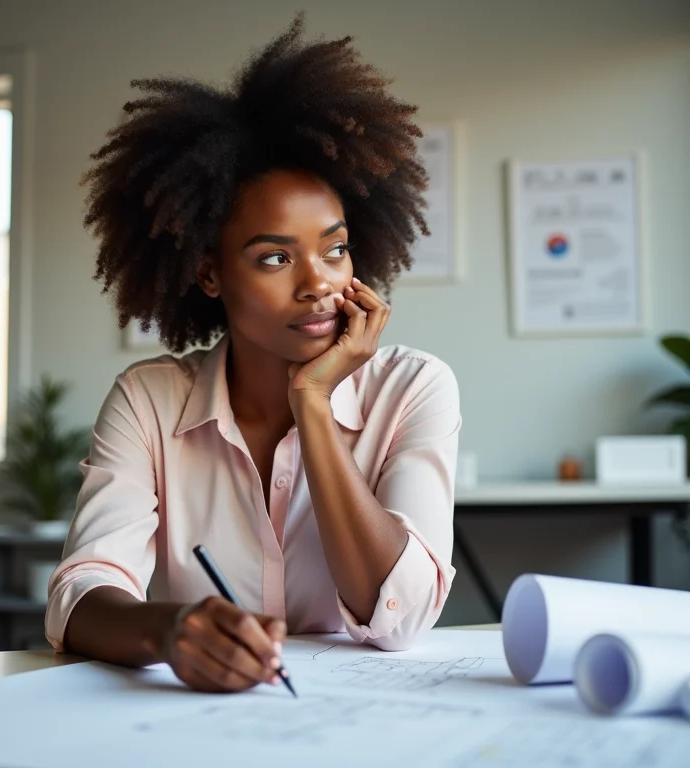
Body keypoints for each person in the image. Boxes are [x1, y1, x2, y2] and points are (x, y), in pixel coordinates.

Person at [45, 14, 461, 694]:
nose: (319, 283)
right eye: (274, 257)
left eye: (335, 248)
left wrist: (314, 405)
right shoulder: (149, 401)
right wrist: (172, 630)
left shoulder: (414, 387)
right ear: (210, 274)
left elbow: (403, 616)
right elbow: (82, 592)